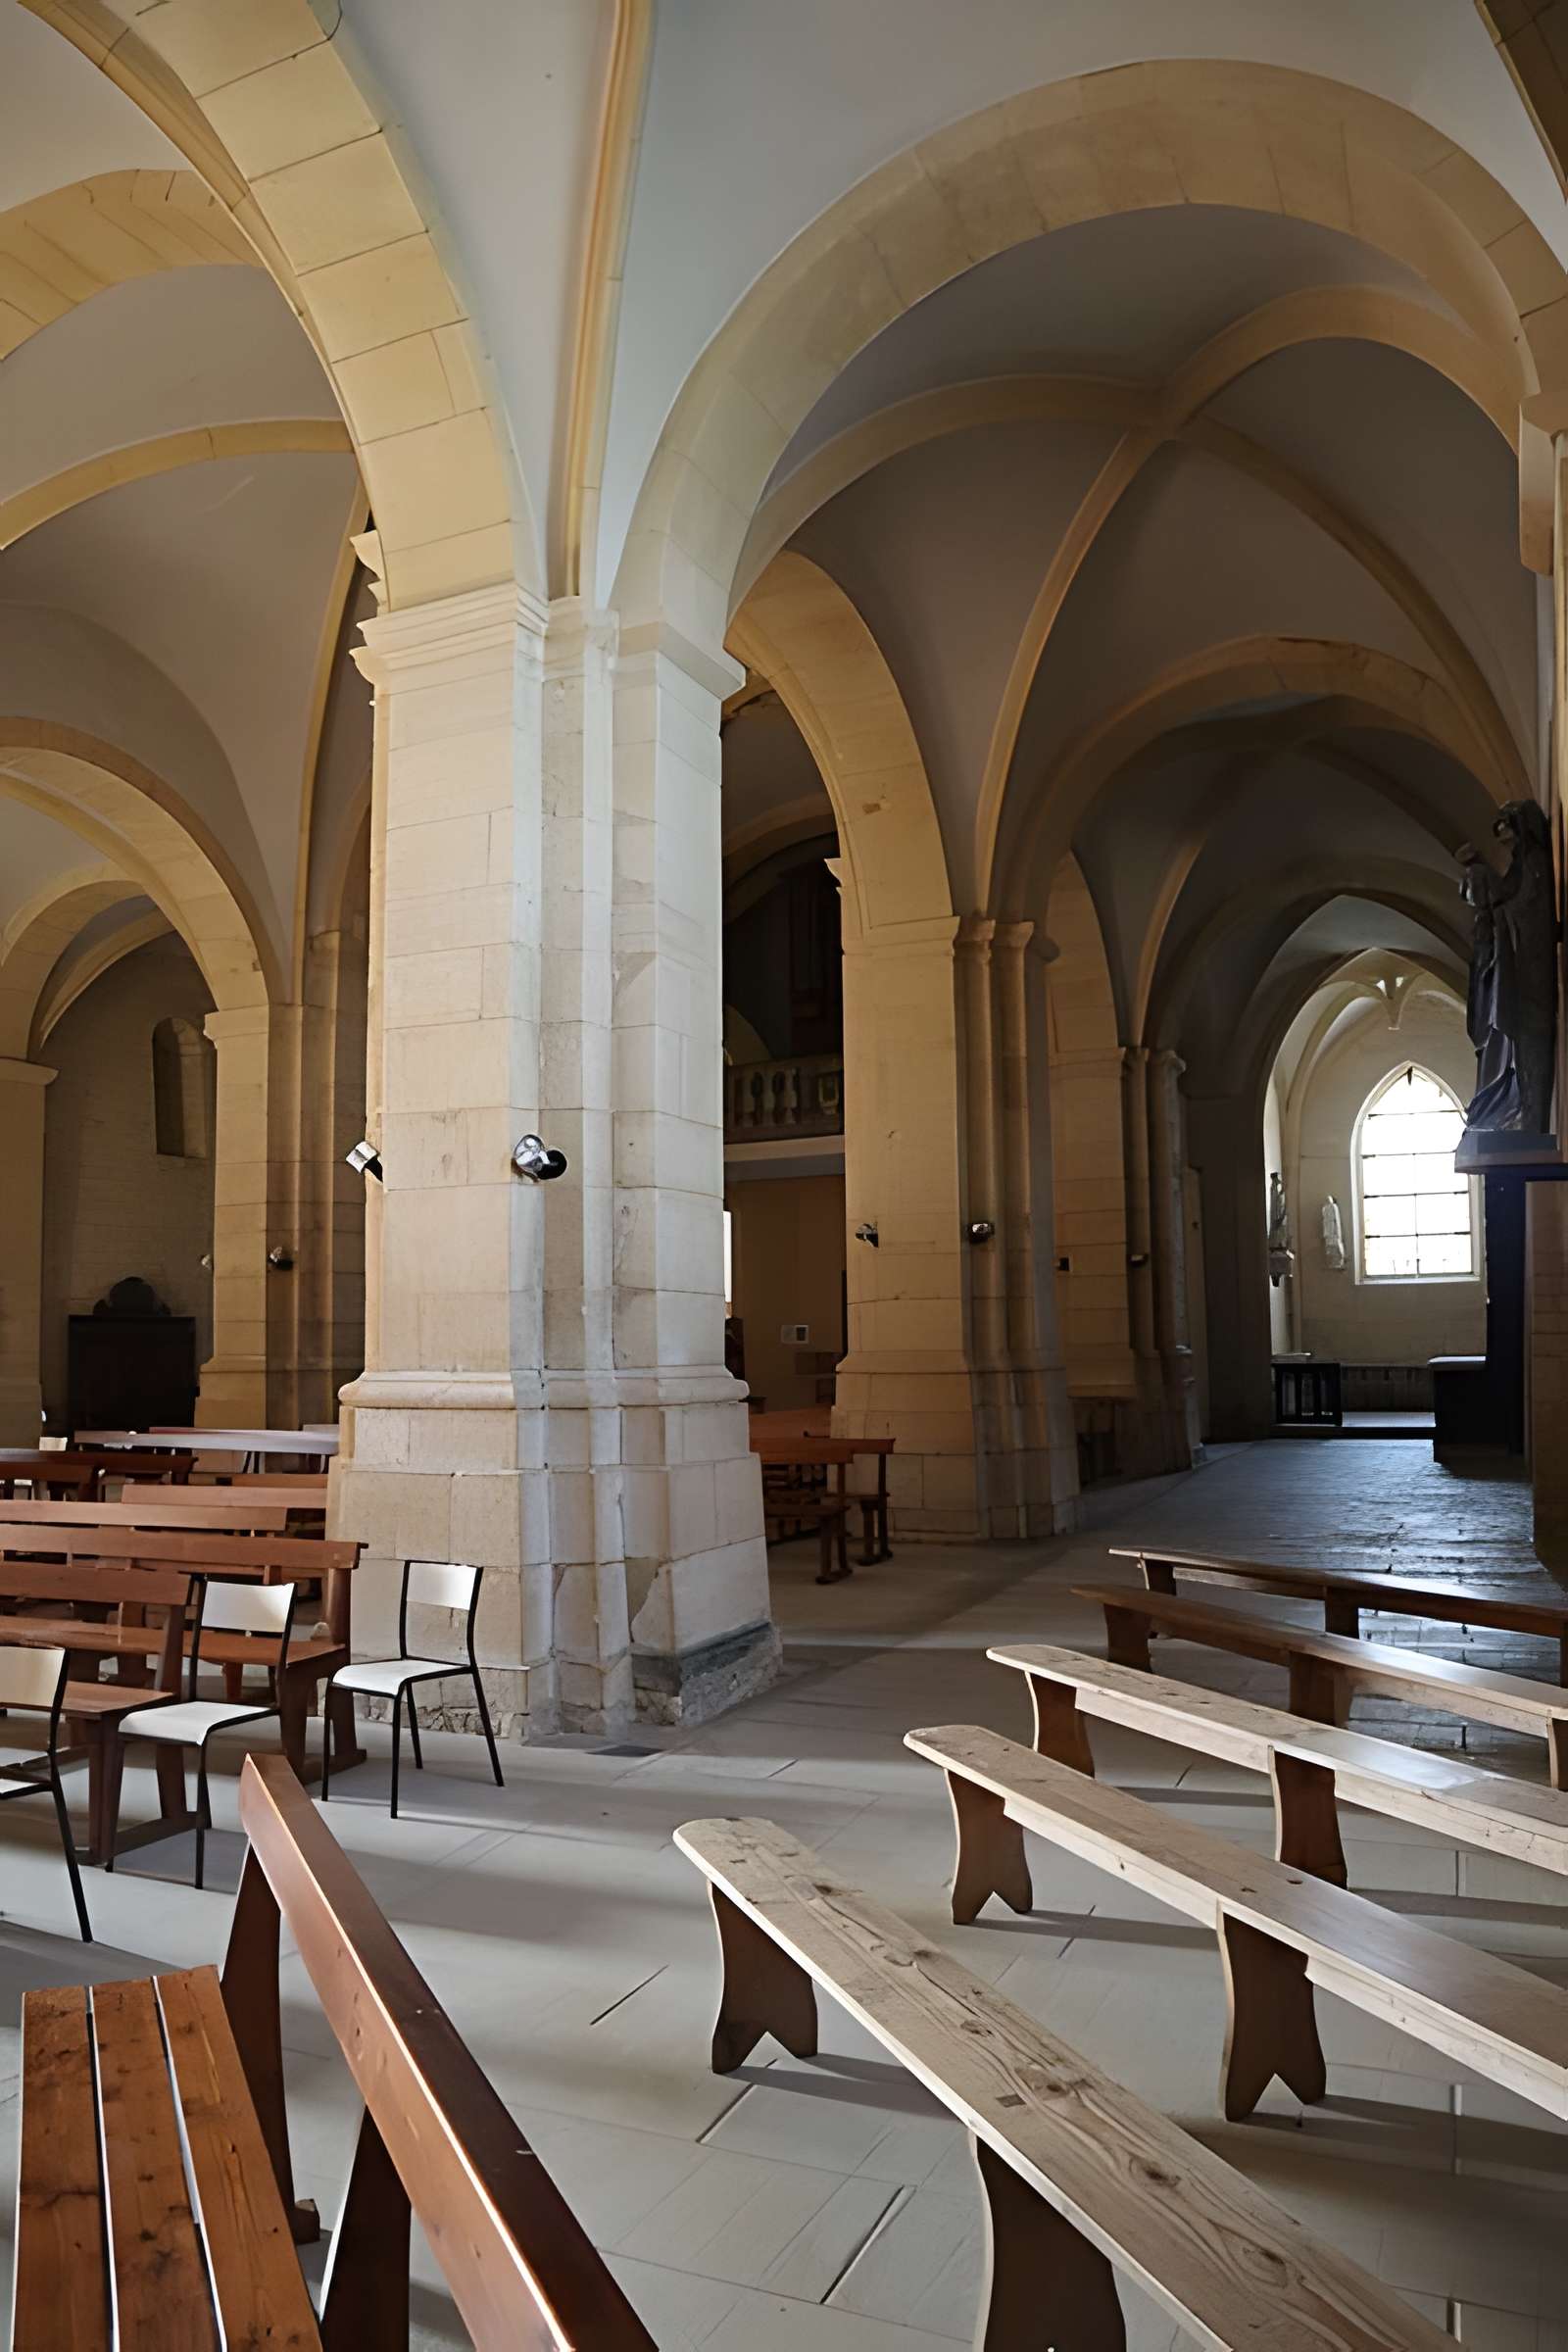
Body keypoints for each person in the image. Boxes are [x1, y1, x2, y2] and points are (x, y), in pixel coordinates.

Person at [1457, 799, 1557, 1137]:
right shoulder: (1519, 867)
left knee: (1519, 1039)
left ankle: (1527, 1116)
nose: (1506, 845)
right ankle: (1516, 1112)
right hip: (1513, 969)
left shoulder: (1534, 864)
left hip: (1529, 977)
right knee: (1501, 1040)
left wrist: (1495, 904)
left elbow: (1531, 911)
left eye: (1508, 837)